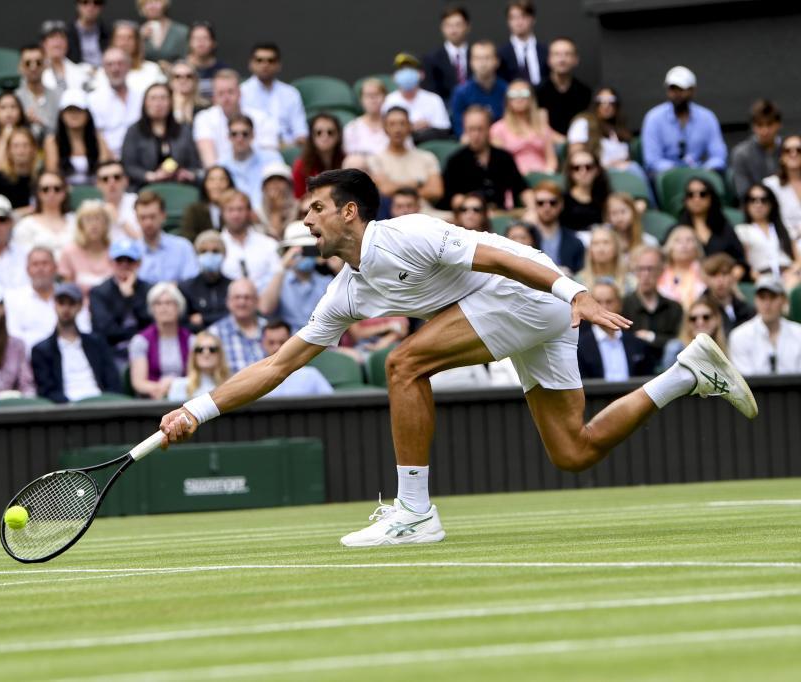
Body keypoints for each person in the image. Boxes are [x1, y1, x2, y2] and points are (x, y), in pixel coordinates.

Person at [159, 168, 758, 548]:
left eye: (315, 208)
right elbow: (277, 366)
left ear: (349, 213)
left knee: (403, 364)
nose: (304, 218)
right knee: (575, 450)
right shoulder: (344, 291)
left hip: (531, 292)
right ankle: (686, 374)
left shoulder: (408, 232)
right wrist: (196, 409)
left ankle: (416, 512)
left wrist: (575, 292)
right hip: (526, 312)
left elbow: (501, 259)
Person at [32, 282, 123, 402]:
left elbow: (112, 380)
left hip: (100, 405)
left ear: (80, 306)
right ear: (54, 305)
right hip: (65, 411)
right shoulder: (42, 350)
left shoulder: (97, 343)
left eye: (71, 303)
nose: (66, 308)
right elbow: (47, 391)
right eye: (61, 303)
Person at [640, 66, 726, 176]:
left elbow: (718, 155)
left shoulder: (707, 117)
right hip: (667, 175)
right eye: (672, 89)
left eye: (681, 89)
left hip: (700, 173)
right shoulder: (653, 118)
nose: (676, 94)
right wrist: (679, 172)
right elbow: (652, 160)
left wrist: (707, 169)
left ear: (692, 90)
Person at [441, 106, 530, 211]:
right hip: (469, 217)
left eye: (480, 129)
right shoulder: (456, 161)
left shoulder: (504, 157)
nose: (476, 134)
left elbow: (522, 188)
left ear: (489, 128)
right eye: (471, 129)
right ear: (465, 129)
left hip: (500, 214)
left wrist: (533, 208)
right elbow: (450, 198)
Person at [120, 82, 200, 191]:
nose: (158, 103)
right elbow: (128, 166)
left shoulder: (184, 130)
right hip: (143, 189)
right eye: (153, 98)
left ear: (171, 102)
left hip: (180, 186)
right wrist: (150, 176)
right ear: (145, 103)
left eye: (163, 98)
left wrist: (187, 173)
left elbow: (194, 164)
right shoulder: (134, 131)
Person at [192, 68, 278, 167]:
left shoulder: (262, 118)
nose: (226, 98)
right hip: (222, 177)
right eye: (221, 93)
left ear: (239, 93)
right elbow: (210, 163)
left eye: (230, 92)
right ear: (214, 97)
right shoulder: (204, 118)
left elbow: (271, 157)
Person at [259, 221, 334, 333]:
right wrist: (282, 266)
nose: (304, 255)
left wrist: (335, 267)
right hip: (287, 344)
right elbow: (265, 309)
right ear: (287, 251)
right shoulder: (276, 281)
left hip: (322, 345)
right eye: (300, 251)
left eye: (309, 249)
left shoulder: (327, 283)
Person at [567, 87, 648, 186]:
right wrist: (606, 166)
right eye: (601, 101)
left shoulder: (620, 130)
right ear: (595, 104)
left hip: (623, 174)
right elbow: (576, 155)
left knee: (635, 168)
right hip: (596, 175)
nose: (606, 105)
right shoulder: (583, 123)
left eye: (611, 101)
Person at [368, 108, 443, 212]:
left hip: (426, 213)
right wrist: (416, 183)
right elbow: (385, 189)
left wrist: (396, 187)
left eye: (402, 124)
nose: (397, 129)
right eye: (392, 124)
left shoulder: (427, 157)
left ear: (410, 127)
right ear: (385, 128)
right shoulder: (375, 159)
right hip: (392, 216)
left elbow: (436, 191)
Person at [576, 280, 653, 381]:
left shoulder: (638, 344)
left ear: (620, 304)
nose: (604, 307)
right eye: (598, 302)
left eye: (609, 301)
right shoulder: (579, 347)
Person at [89, 239, 151, 360]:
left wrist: (131, 297)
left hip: (147, 348)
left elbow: (151, 321)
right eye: (119, 260)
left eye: (129, 260)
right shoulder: (98, 292)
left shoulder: (148, 289)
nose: (124, 265)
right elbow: (106, 330)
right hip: (112, 351)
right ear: (111, 263)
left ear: (138, 263)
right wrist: (137, 334)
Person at [622, 245, 684, 366]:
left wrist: (651, 337)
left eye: (650, 269)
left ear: (661, 271)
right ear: (634, 271)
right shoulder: (624, 305)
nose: (645, 274)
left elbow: (679, 340)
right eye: (640, 269)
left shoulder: (673, 307)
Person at [128, 282, 191, 398]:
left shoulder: (191, 340)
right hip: (153, 401)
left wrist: (175, 386)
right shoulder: (140, 341)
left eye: (169, 303)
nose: (163, 308)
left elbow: (196, 376)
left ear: (179, 307)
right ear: (152, 309)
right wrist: (161, 388)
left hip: (186, 396)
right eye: (158, 304)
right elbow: (138, 383)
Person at [729, 275, 801, 375]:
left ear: (784, 300)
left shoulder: (798, 333)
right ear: (755, 300)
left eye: (773, 297)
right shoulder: (740, 336)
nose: (767, 304)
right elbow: (746, 381)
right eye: (762, 297)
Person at [240, 42, 307, 147]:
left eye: (271, 61)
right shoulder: (241, 92)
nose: (265, 65)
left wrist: (289, 146)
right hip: (253, 149)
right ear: (251, 64)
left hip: (286, 148)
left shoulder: (291, 94)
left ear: (279, 65)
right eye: (259, 60)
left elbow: (301, 133)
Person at [734, 183, 801, 289]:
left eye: (763, 200)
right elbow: (746, 263)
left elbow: (798, 259)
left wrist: (793, 271)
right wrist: (757, 277)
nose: (758, 204)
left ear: (771, 204)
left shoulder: (784, 228)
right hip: (762, 277)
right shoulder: (742, 230)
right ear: (746, 205)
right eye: (753, 200)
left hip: (789, 274)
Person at [44, 88, 113, 187]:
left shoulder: (99, 139)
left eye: (79, 110)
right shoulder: (52, 142)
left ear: (87, 114)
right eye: (69, 110)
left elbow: (105, 171)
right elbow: (53, 175)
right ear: (62, 114)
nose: (74, 114)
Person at [675, 176, 746, 271]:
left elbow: (740, 261)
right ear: (686, 199)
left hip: (723, 280)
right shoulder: (677, 230)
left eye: (702, 194)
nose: (697, 199)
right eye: (691, 194)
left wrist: (734, 274)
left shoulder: (724, 228)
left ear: (711, 197)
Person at [489, 79, 557, 175]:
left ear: (531, 98)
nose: (519, 98)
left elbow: (551, 159)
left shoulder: (542, 127)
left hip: (542, 178)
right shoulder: (498, 129)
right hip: (513, 179)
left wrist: (548, 173)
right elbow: (498, 163)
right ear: (507, 100)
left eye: (524, 94)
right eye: (513, 95)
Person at [218, 190, 282, 292]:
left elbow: (278, 276)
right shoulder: (215, 246)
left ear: (249, 212)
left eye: (240, 209)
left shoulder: (269, 244)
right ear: (222, 213)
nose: (235, 215)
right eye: (230, 210)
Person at [88, 47, 144, 160]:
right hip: (109, 160)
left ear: (129, 66)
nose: (115, 69)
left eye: (120, 63)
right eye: (110, 64)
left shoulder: (142, 97)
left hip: (141, 159)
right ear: (103, 68)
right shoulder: (92, 100)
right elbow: (96, 135)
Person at [382, 53, 452, 143]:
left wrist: (428, 126)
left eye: (410, 69)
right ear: (394, 76)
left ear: (421, 74)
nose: (406, 73)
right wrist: (410, 128)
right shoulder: (389, 100)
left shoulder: (434, 99)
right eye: (402, 69)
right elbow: (384, 131)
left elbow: (444, 131)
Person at [134, 190, 198, 285]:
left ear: (163, 216)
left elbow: (191, 283)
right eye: (143, 217)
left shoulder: (183, 247)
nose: (148, 223)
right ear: (136, 218)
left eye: (152, 217)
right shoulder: (130, 251)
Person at [4, 247, 62, 352]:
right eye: (35, 264)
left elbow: (82, 330)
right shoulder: (13, 299)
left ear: (55, 267)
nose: (40, 269)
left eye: (45, 263)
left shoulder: (68, 297)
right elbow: (13, 336)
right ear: (28, 270)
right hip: (28, 360)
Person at [259, 319, 333, 398]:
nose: (276, 347)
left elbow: (332, 402)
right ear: (262, 344)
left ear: (291, 342)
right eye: (271, 342)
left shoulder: (310, 375)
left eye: (282, 342)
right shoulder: (256, 377)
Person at [449, 40, 507, 138]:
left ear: (497, 61)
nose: (483, 63)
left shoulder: (507, 90)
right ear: (471, 62)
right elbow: (460, 131)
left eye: (487, 58)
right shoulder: (461, 92)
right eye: (478, 58)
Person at [206, 278, 265, 373]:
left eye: (247, 297)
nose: (242, 302)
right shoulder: (214, 333)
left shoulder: (268, 329)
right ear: (228, 301)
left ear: (256, 301)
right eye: (237, 297)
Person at [225, 114, 283, 210]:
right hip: (236, 218)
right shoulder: (222, 166)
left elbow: (283, 189)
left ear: (253, 135)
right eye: (234, 134)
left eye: (245, 134)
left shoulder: (271, 158)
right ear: (228, 137)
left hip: (269, 213)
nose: (239, 139)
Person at [13, 171, 76, 258]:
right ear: (38, 193)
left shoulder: (76, 221)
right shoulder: (25, 225)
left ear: (64, 192)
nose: (51, 193)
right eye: (45, 189)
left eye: (57, 188)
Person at [179, 230, 232, 333]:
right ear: (196, 255)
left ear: (224, 254)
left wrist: (203, 318)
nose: (210, 255)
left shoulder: (233, 286)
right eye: (203, 251)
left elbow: (236, 317)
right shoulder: (186, 288)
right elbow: (184, 323)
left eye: (215, 251)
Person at [534, 37, 590, 134]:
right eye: (557, 54)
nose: (562, 59)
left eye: (567, 54)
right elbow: (540, 128)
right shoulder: (538, 91)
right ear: (549, 60)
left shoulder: (585, 92)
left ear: (576, 60)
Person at [659, 293, 728, 372]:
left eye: (706, 317)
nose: (700, 322)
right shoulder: (675, 349)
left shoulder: (724, 346)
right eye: (693, 319)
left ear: (717, 320)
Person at [730, 100, 781, 204]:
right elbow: (743, 193)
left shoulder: (791, 150)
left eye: (769, 124)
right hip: (756, 208)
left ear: (778, 124)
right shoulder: (741, 153)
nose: (765, 131)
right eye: (760, 125)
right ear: (753, 126)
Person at [527, 180, 584, 275]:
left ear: (561, 204)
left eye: (552, 202)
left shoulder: (574, 241)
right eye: (540, 203)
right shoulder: (525, 237)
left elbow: (582, 275)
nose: (547, 207)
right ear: (534, 205)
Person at [58, 199, 111, 295]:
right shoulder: (69, 251)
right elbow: (67, 291)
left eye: (98, 219)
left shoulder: (115, 251)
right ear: (80, 225)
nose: (94, 224)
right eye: (88, 219)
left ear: (106, 224)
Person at [421, 4, 472, 103]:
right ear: (442, 28)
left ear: (468, 26)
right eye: (448, 25)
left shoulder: (477, 55)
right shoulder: (431, 59)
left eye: (458, 25)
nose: (453, 30)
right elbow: (431, 92)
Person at [0, 127, 39, 213]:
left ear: (33, 149)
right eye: (16, 146)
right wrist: (23, 212)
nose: (21, 151)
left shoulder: (41, 179)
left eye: (25, 145)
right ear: (9, 151)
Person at [292, 113, 345, 200]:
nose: (325, 136)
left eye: (330, 132)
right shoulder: (301, 165)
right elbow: (298, 199)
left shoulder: (346, 161)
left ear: (338, 136)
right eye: (318, 132)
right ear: (312, 136)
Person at [104, 20, 165, 94]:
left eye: (130, 38)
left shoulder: (152, 70)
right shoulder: (102, 72)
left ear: (137, 42)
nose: (124, 43)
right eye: (120, 38)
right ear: (113, 42)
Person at [14, 44, 60, 141]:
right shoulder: (14, 99)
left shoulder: (58, 96)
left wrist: (42, 123)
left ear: (46, 65)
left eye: (38, 62)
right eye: (28, 63)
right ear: (20, 67)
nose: (33, 67)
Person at [166, 329, 228, 400]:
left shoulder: (229, 385)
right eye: (200, 349)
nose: (206, 353)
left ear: (220, 354)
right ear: (194, 355)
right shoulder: (179, 385)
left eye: (212, 349)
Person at [498, 0, 548, 87]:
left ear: (533, 19)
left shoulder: (546, 51)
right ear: (508, 22)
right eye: (513, 17)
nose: (518, 22)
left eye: (523, 16)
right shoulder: (501, 54)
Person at [701, 253, 754, 333]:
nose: (720, 280)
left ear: (732, 276)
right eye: (714, 275)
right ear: (707, 279)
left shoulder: (743, 306)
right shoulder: (702, 308)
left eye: (724, 274)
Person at [343, 78, 389, 169]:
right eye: (368, 95)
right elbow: (350, 159)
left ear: (385, 97)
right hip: (363, 176)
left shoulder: (395, 125)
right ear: (361, 100)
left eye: (376, 94)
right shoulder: (352, 127)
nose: (373, 99)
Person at [561, 148, 610, 232]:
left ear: (597, 170)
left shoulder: (607, 198)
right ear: (570, 172)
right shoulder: (561, 200)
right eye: (576, 168)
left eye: (588, 167)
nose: (583, 172)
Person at [762, 134, 801, 242]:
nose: (794, 154)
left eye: (799, 150)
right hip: (783, 242)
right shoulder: (770, 185)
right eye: (788, 150)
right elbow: (767, 221)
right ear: (781, 156)